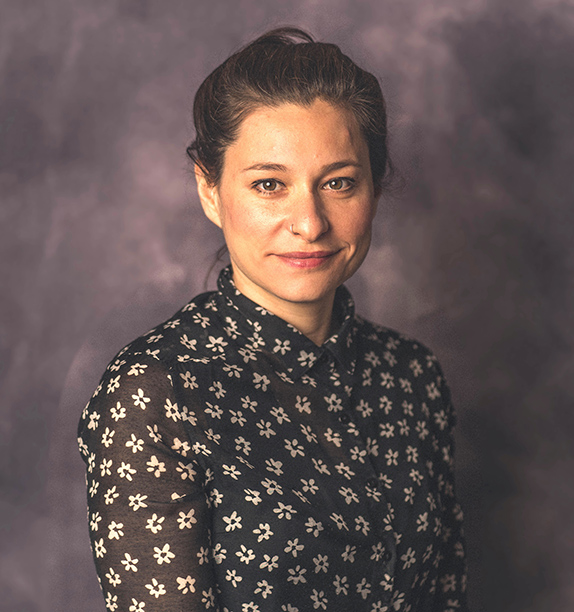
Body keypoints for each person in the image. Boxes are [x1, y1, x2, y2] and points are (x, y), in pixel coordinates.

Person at [78, 27, 469, 612]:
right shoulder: (156, 394)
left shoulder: (412, 377)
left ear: (374, 189)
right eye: (269, 185)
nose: (309, 223)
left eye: (338, 183)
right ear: (210, 190)